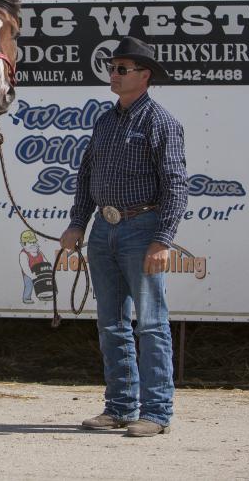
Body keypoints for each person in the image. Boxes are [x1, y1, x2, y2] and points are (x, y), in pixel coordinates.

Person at [60, 36, 188, 438]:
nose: (112, 75)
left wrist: (163, 239)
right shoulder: (106, 120)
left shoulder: (161, 122)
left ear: (144, 76)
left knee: (150, 323)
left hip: (142, 228)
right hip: (104, 227)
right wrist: (78, 223)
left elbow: (176, 185)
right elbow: (86, 177)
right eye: (112, 68)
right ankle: (119, 407)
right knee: (111, 323)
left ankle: (157, 412)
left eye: (121, 69)